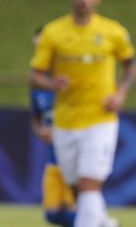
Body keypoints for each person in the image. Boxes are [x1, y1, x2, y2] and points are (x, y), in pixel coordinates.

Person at [30, 0, 136, 227]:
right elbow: (35, 76)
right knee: (79, 187)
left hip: (100, 118)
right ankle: (104, 223)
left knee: (90, 182)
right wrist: (52, 83)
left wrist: (120, 93)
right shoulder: (53, 32)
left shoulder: (113, 31)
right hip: (65, 122)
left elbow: (131, 67)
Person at [30, 27, 77, 227]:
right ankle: (101, 222)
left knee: (74, 208)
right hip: (52, 158)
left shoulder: (69, 78)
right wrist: (41, 131)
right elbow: (36, 119)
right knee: (51, 214)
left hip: (73, 156)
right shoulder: (37, 86)